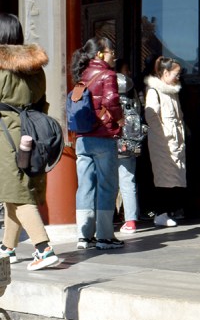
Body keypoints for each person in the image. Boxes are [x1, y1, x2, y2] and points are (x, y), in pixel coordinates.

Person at [0, 14, 59, 270]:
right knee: (13, 190)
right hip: (33, 131)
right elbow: (42, 101)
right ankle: (7, 248)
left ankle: (43, 248)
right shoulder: (35, 67)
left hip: (5, 134)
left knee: (18, 192)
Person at [71, 35, 125, 251]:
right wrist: (120, 119)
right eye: (112, 52)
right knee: (107, 186)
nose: (114, 57)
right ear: (101, 54)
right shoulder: (108, 74)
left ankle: (84, 236)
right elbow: (110, 100)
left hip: (82, 138)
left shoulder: (82, 74)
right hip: (103, 137)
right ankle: (104, 236)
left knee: (85, 186)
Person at [144, 57, 187, 228]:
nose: (178, 77)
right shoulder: (154, 91)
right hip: (163, 141)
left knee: (174, 176)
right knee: (163, 178)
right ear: (166, 73)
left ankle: (169, 211)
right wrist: (164, 135)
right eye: (176, 74)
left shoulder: (173, 91)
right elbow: (151, 116)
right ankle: (161, 212)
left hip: (175, 140)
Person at [116, 59, 145, 234]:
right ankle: (131, 220)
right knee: (128, 180)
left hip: (113, 140)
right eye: (126, 70)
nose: (128, 73)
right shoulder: (133, 93)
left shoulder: (110, 92)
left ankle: (105, 218)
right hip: (132, 142)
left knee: (107, 181)